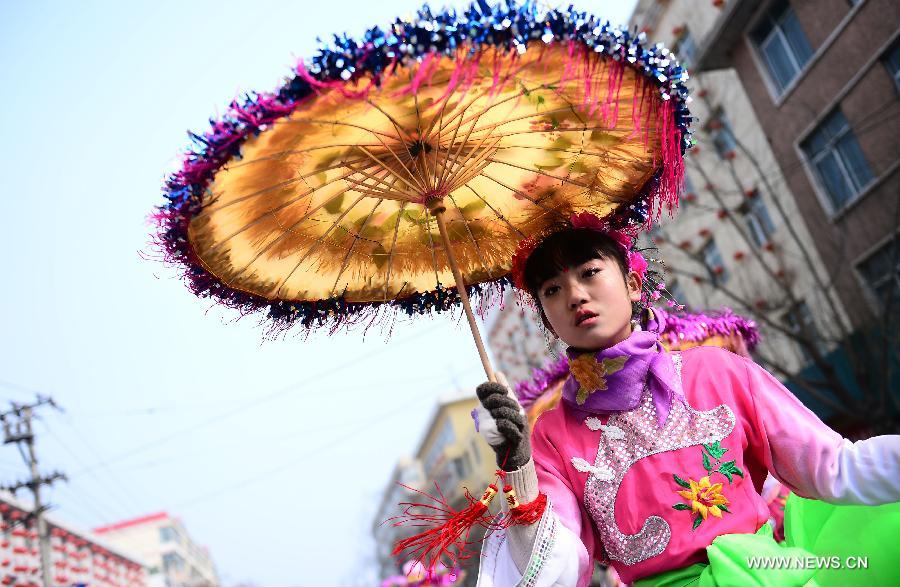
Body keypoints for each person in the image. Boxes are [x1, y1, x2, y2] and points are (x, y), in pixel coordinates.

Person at [473, 215, 900, 586]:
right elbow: (559, 573)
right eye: (551, 289)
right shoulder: (552, 436)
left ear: (633, 283)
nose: (574, 295)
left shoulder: (717, 371)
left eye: (588, 272)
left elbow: (833, 467)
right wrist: (517, 469)